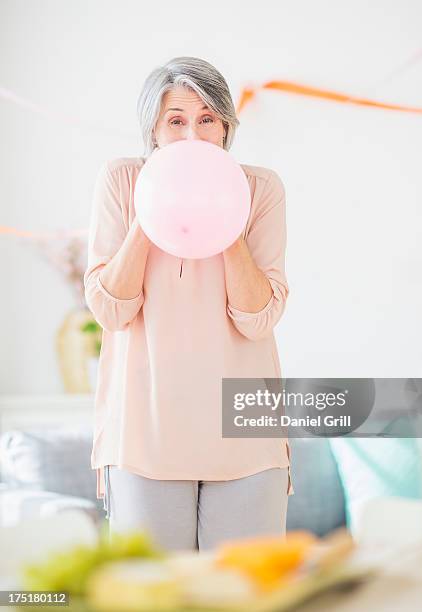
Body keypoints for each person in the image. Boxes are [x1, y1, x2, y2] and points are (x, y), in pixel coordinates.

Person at [83, 56, 293, 552]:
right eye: (176, 121)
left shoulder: (261, 189)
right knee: (155, 594)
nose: (193, 136)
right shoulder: (120, 180)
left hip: (245, 439)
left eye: (207, 120)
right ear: (153, 130)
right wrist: (154, 207)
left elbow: (259, 318)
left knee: (245, 596)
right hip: (144, 437)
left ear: (226, 127)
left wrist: (223, 210)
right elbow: (110, 310)